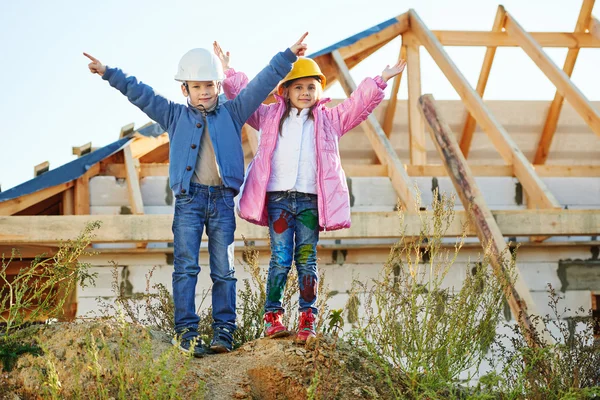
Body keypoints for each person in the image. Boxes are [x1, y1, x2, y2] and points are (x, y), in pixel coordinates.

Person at [84, 33, 307, 356]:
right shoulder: (174, 115)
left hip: (221, 201)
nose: (204, 93)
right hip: (189, 202)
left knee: (224, 271)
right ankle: (186, 332)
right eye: (197, 86)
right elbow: (140, 93)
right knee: (186, 267)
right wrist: (108, 72)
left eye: (210, 86)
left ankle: (224, 333)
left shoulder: (233, 112)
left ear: (218, 86)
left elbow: (262, 83)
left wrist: (287, 55)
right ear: (184, 89)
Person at [218, 44, 406, 343]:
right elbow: (245, 98)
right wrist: (229, 72)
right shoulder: (268, 117)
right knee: (280, 258)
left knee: (307, 260)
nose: (306, 92)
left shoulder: (330, 121)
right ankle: (273, 317)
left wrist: (381, 79)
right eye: (299, 87)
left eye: (312, 87)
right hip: (278, 200)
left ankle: (308, 318)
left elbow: (358, 104)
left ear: (319, 91)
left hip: (309, 201)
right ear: (286, 91)